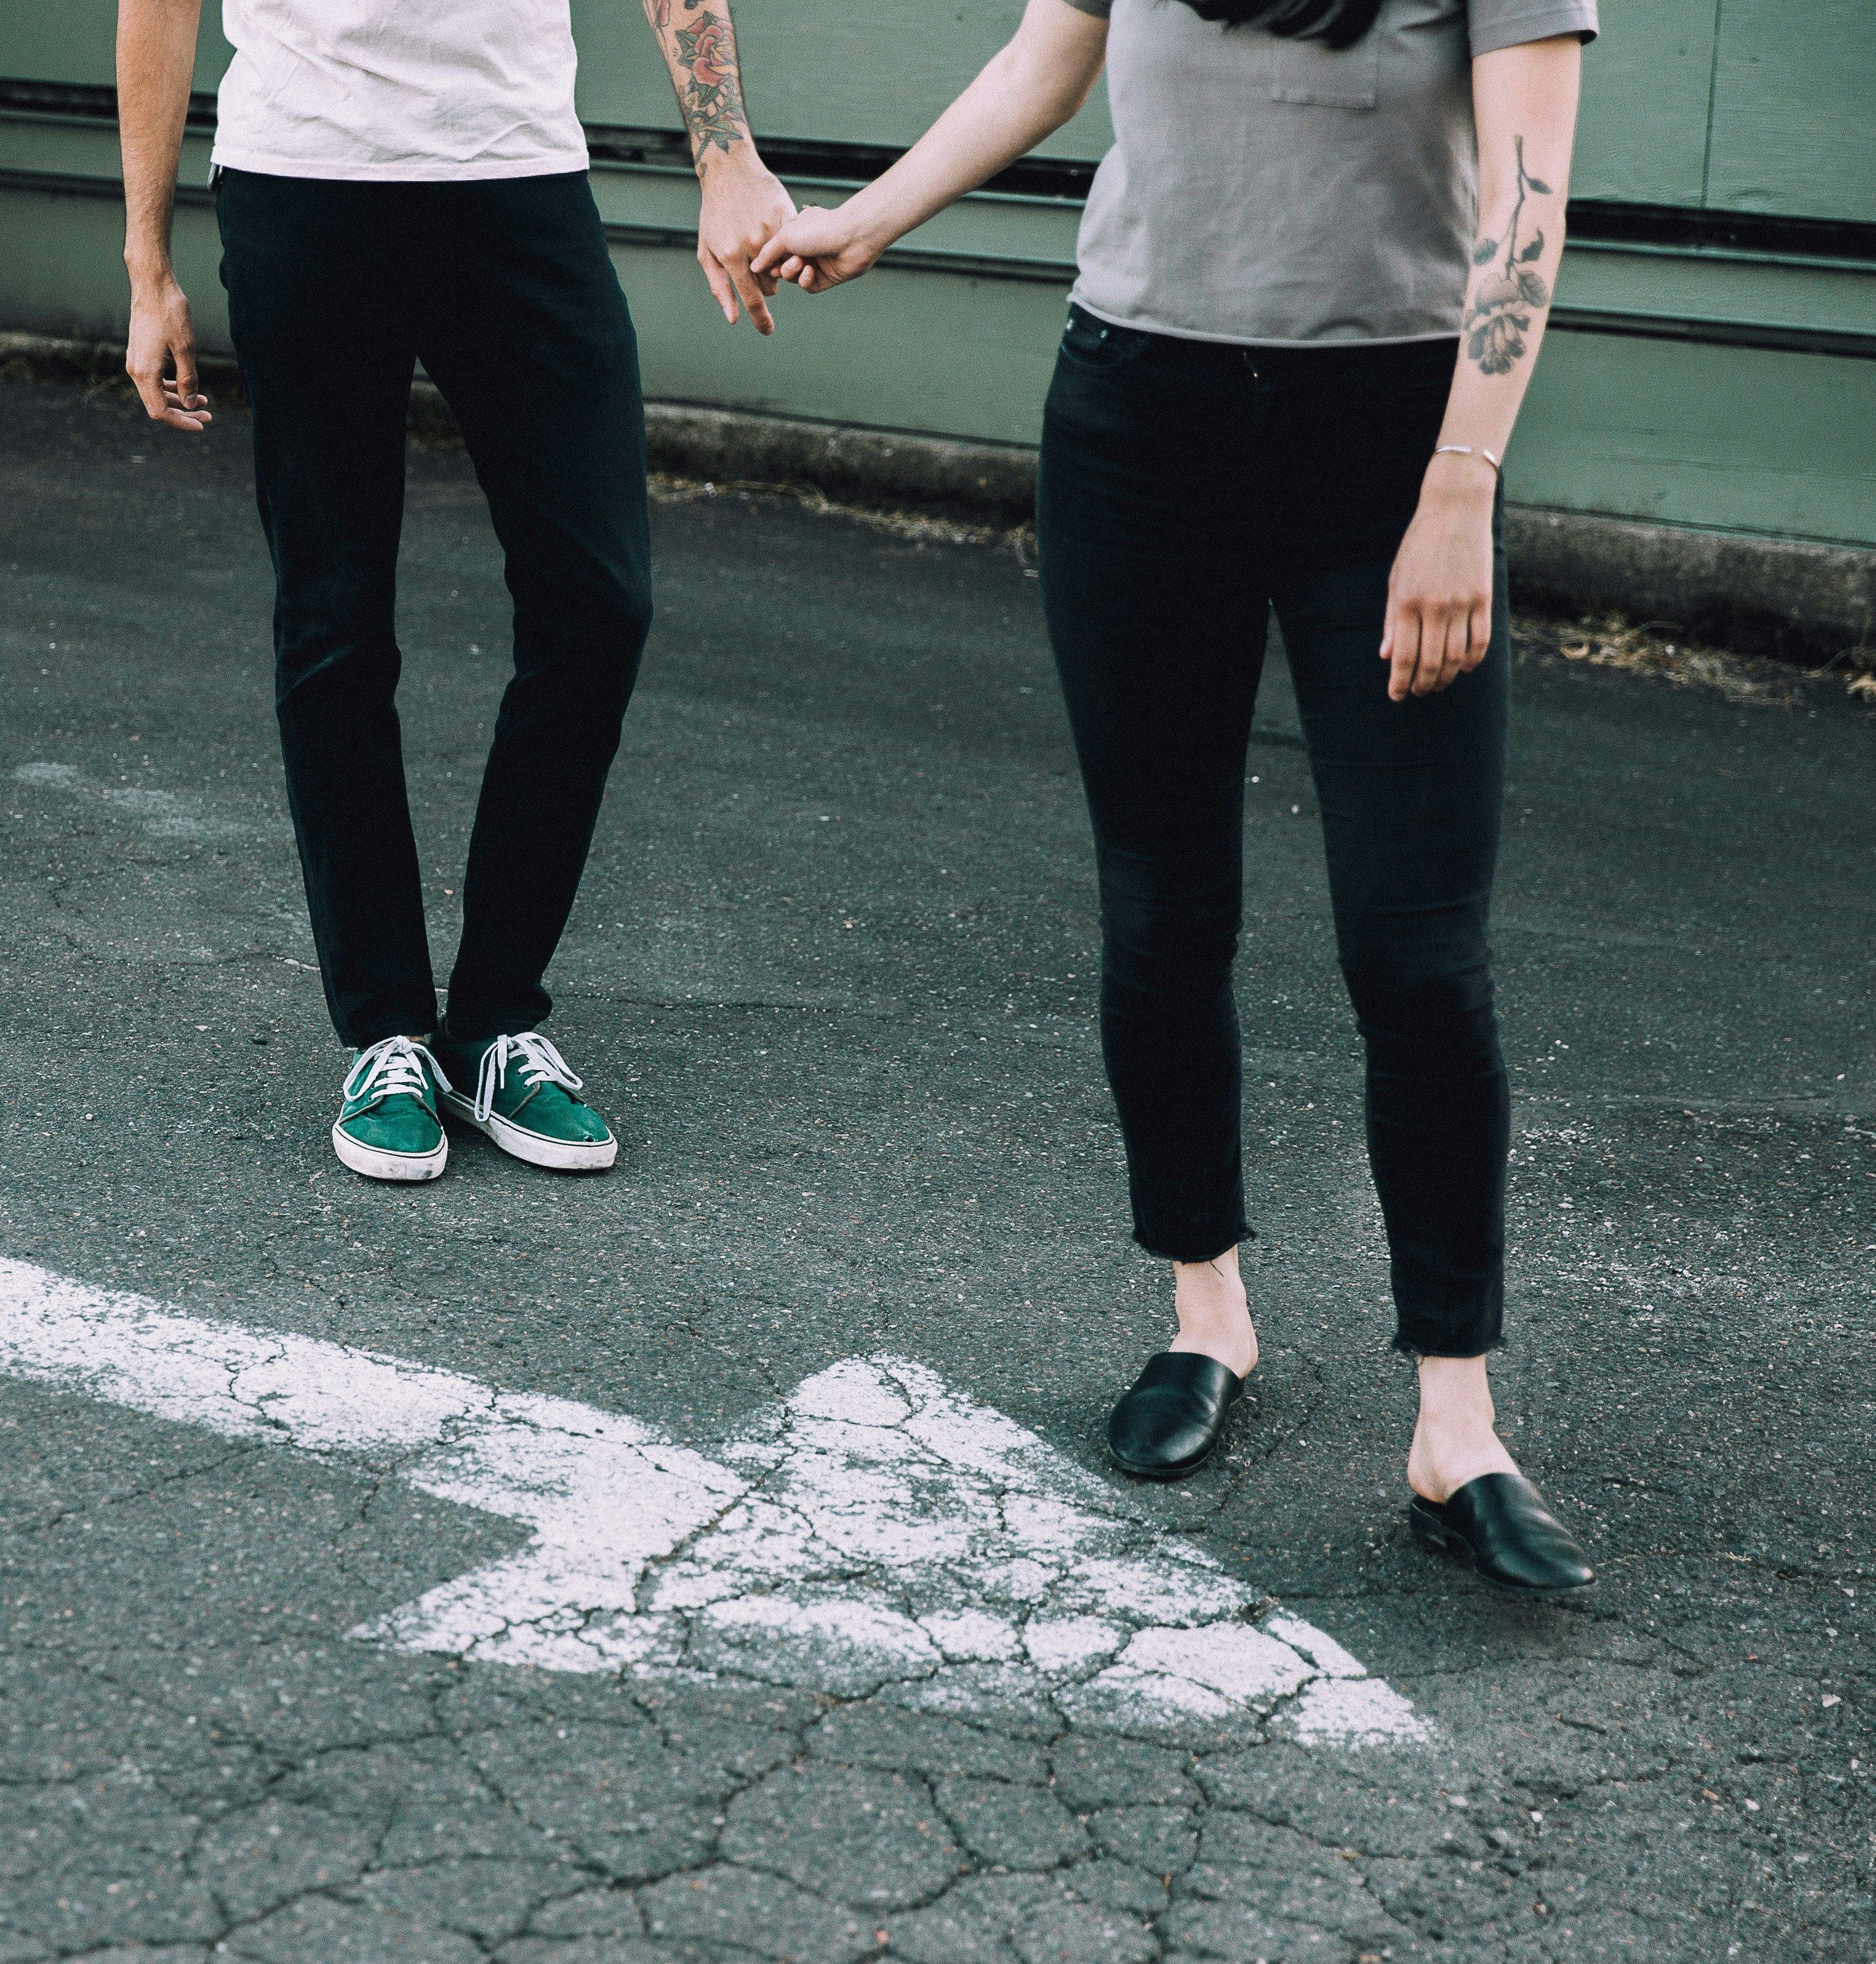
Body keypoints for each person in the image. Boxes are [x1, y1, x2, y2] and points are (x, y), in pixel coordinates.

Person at [754, 0, 1596, 1594]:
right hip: (1139, 420)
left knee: (1416, 950)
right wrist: (865, 218)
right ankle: (1203, 1313)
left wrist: (1459, 485)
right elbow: (1044, 55)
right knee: (1161, 906)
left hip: (1393, 433)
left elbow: (1526, 197)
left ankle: (1455, 1422)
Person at [113, 0, 794, 1181]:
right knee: (333, 620)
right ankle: (385, 1030)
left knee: (598, 601)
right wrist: (147, 262)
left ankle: (491, 1025)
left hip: (515, 176)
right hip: (303, 179)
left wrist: (726, 155)